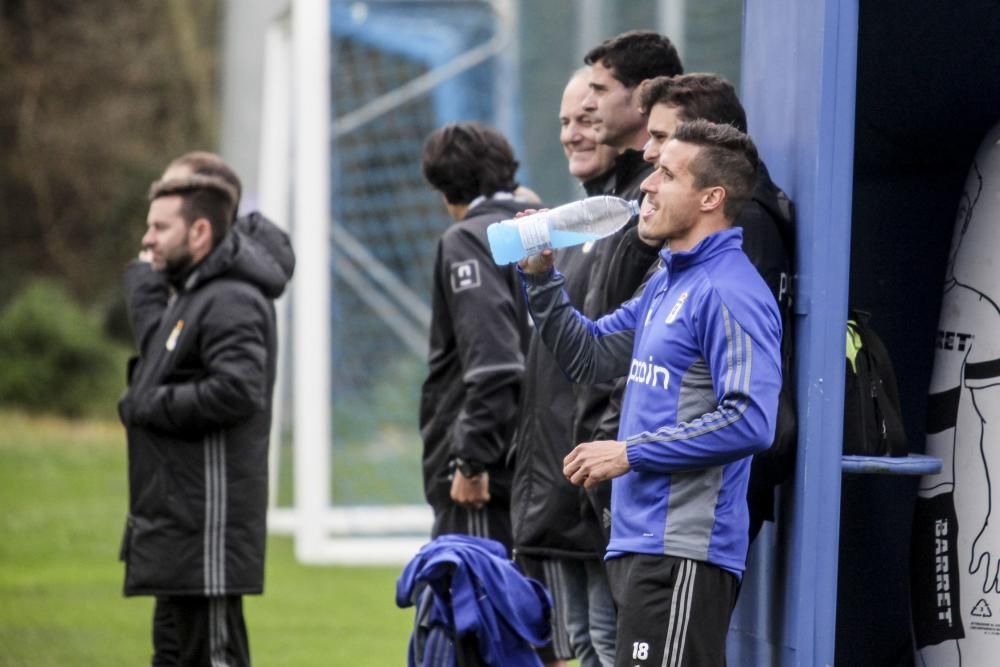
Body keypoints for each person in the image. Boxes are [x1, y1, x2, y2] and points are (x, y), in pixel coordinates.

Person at [519, 120, 782, 666]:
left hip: (682, 554)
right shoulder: (668, 278)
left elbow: (750, 421)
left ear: (711, 197)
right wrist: (542, 278)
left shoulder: (729, 290)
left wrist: (628, 452)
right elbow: (588, 355)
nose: (647, 185)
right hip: (637, 545)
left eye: (666, 173)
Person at [118, 153, 294, 666]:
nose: (146, 238)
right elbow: (162, 360)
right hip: (176, 530)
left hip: (205, 534)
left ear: (199, 233)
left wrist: (147, 404)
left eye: (158, 227)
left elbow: (237, 391)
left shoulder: (232, 299)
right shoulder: (194, 294)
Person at [631, 72, 798, 540]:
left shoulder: (737, 233)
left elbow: (740, 406)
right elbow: (614, 342)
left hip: (697, 507)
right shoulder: (702, 236)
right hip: (661, 491)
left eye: (663, 141)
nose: (650, 153)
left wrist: (627, 452)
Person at [511, 68, 620, 667]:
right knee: (579, 641)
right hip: (564, 481)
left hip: (598, 481)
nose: (572, 134)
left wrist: (601, 463)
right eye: (564, 122)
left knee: (604, 642)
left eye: (586, 118)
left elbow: (611, 365)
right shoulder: (577, 223)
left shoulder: (630, 223)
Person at [418, 122, 537, 554]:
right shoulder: (543, 228)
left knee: (473, 611)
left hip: (488, 476)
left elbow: (495, 365)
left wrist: (470, 460)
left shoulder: (469, 239)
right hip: (538, 464)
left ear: (444, 189)